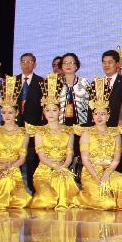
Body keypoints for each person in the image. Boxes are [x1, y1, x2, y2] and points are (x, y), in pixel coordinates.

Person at [28, 74, 79, 210]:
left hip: (62, 169)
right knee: (47, 201)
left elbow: (69, 154)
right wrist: (55, 166)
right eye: (47, 110)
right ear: (44, 112)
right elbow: (41, 157)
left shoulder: (68, 131)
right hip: (44, 172)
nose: (51, 113)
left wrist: (63, 167)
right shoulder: (39, 132)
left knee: (64, 191)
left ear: (60, 111)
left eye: (54, 110)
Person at [76, 77, 122, 211]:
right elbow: (85, 160)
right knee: (107, 204)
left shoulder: (115, 133)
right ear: (92, 116)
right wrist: (97, 177)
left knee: (121, 182)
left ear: (108, 116)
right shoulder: (86, 133)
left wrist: (107, 173)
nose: (99, 117)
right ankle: (81, 197)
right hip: (91, 173)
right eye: (96, 114)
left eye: (103, 114)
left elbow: (116, 159)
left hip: (108, 171)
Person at [0, 78, 32, 210]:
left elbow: (22, 158)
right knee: (4, 180)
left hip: (14, 169)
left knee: (22, 201)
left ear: (16, 113)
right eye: (4, 112)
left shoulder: (24, 133)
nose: (7, 115)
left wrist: (11, 167)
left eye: (10, 112)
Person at [16, 52, 44, 185]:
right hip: (16, 125)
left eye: (29, 62)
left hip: (34, 125)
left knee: (32, 158)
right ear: (20, 64)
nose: (26, 64)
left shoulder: (41, 82)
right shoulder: (13, 81)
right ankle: (17, 186)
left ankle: (33, 188)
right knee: (16, 155)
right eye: (24, 62)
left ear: (35, 64)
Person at [57, 53, 91, 127]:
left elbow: (91, 104)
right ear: (61, 66)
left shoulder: (84, 82)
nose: (68, 65)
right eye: (65, 63)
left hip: (83, 125)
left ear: (76, 66)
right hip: (60, 126)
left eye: (71, 63)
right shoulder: (57, 84)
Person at [102, 48, 122, 128]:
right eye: (104, 62)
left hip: (119, 127)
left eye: (110, 62)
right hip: (100, 128)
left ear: (117, 64)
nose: (106, 65)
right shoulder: (96, 83)